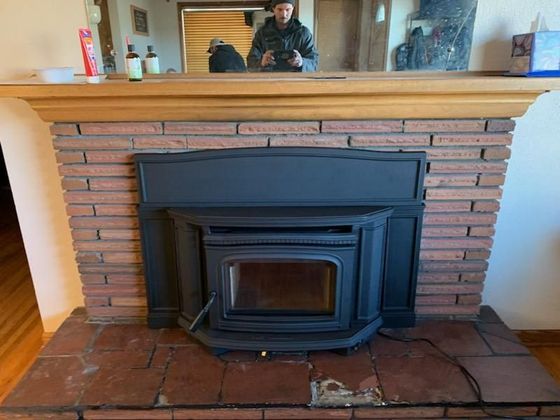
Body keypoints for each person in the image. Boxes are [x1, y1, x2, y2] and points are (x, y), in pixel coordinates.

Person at [247, 0, 318, 72]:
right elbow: (250, 64)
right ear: (273, 9)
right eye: (279, 9)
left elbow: (314, 64)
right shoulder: (262, 33)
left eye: (288, 10)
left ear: (293, 8)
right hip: (269, 81)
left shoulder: (303, 33)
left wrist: (302, 62)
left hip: (296, 81)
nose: (284, 14)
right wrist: (261, 63)